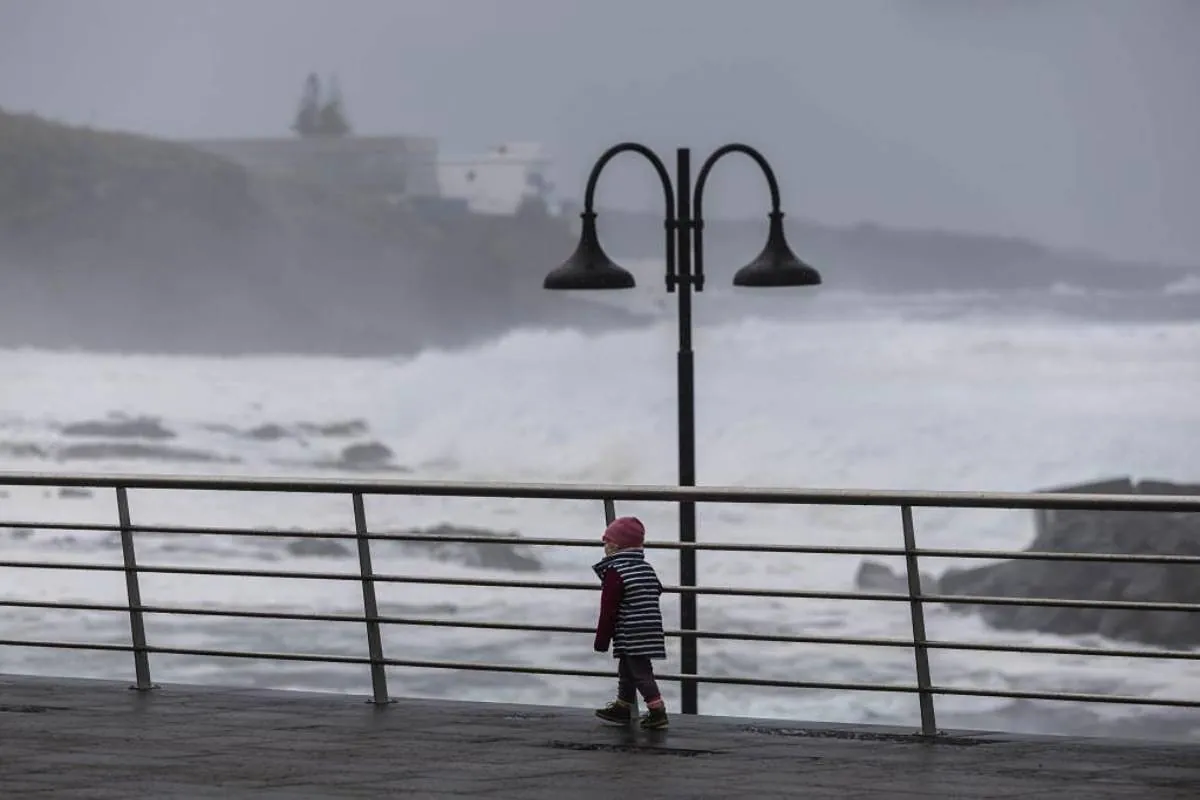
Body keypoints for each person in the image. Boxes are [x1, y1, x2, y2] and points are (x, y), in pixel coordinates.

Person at [592, 515, 669, 729]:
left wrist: (602, 640)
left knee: (641, 672)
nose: (604, 546)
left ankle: (657, 710)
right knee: (627, 668)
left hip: (629, 631)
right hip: (650, 627)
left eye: (606, 541)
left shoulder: (615, 572)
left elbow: (608, 609)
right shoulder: (645, 567)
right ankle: (623, 706)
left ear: (615, 546)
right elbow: (657, 589)